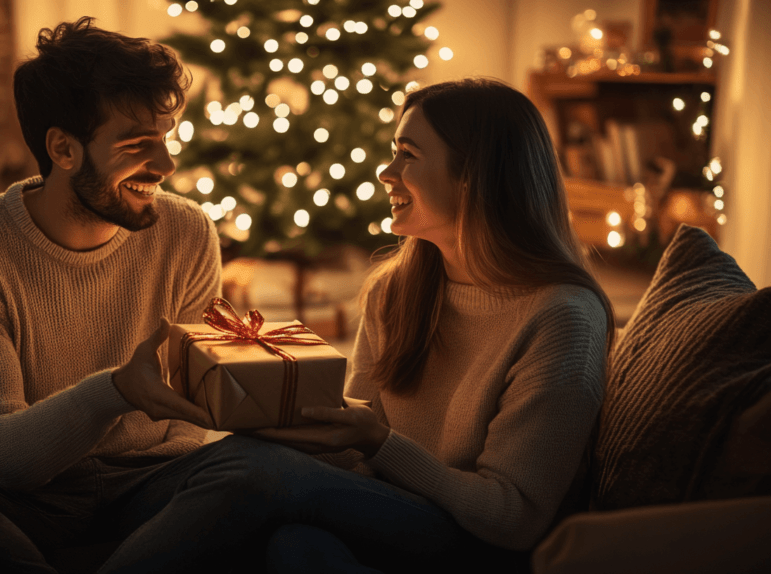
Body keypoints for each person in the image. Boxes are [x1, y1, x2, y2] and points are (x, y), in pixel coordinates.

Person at [0, 16, 228, 573]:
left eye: (166, 137)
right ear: (63, 148)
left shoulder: (188, 232)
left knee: (261, 466)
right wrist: (115, 391)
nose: (167, 165)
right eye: (136, 143)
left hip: (155, 485)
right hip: (25, 499)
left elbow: (191, 423)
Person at [251, 77, 617, 571]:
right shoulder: (394, 290)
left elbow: (514, 516)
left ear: (473, 176)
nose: (386, 171)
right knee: (290, 540)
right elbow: (352, 453)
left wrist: (378, 443)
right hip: (388, 516)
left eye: (408, 154)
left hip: (481, 544)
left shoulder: (562, 318)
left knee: (265, 483)